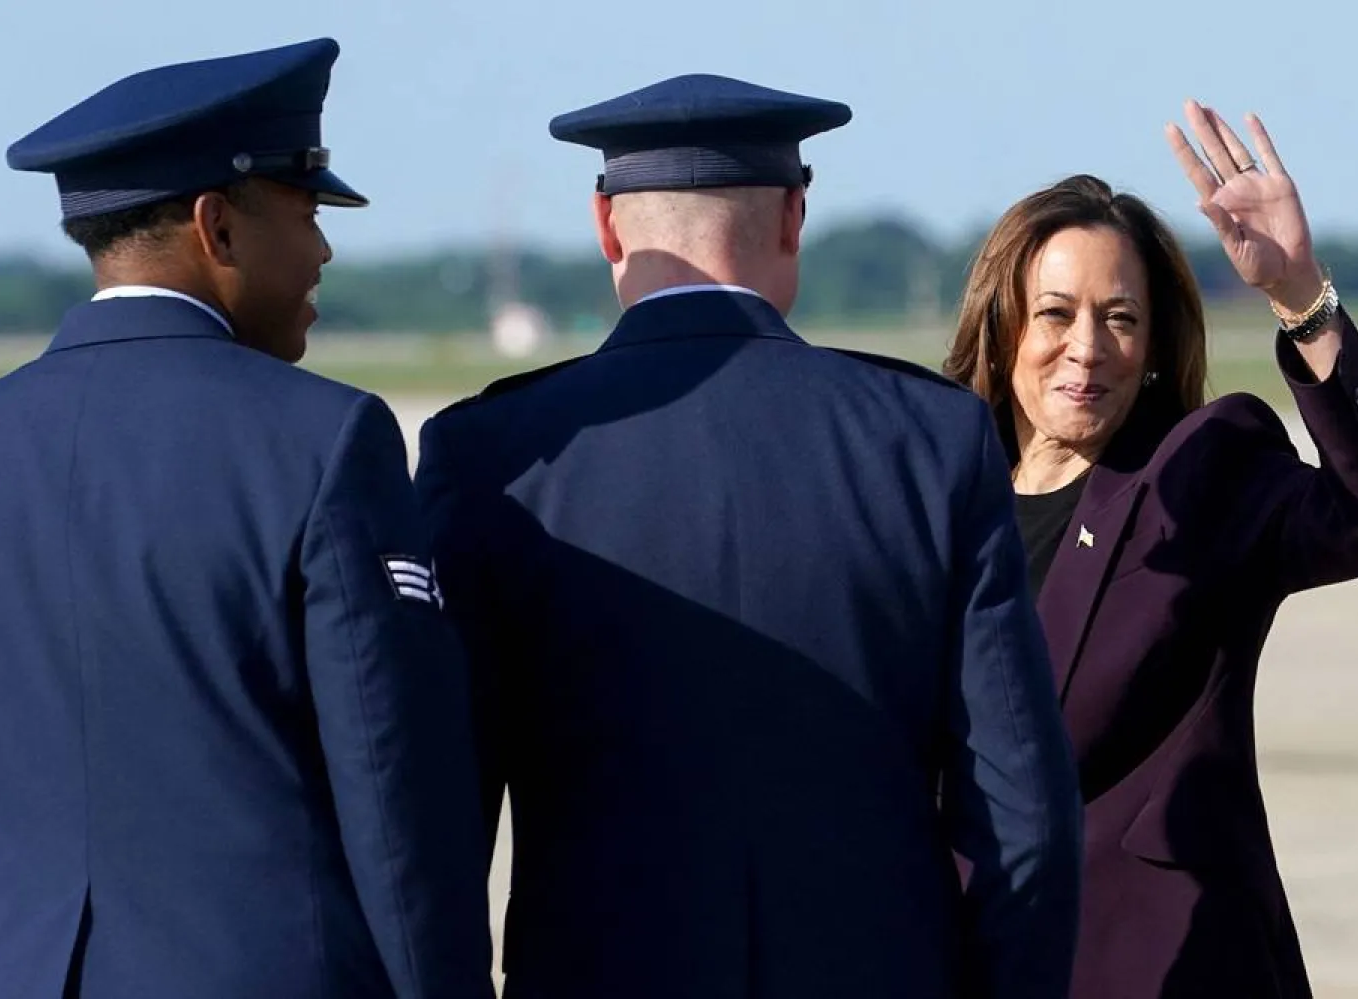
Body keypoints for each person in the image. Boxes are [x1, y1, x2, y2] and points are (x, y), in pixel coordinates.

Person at [414, 73, 1083, 999]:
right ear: (794, 217)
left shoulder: (491, 454)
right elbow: (1027, 821)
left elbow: (438, 826)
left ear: (606, 226)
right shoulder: (929, 438)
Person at [0, 39, 494, 999]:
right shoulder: (322, 439)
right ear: (215, 225)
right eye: (307, 210)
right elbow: (394, 788)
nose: (323, 249)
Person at [942, 99, 1358, 998]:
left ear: (1157, 343)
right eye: (1055, 312)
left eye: (1121, 318)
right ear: (1001, 323)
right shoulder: (936, 505)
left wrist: (1301, 296)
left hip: (1164, 966)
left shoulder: (1197, 477)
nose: (1085, 349)